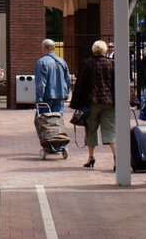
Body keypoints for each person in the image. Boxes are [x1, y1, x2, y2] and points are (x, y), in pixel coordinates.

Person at [69, 40, 115, 169]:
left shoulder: (86, 64)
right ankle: (116, 158)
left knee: (90, 129)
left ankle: (91, 157)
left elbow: (80, 84)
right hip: (109, 101)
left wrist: (76, 103)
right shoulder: (112, 64)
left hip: (92, 101)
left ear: (93, 50)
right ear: (105, 50)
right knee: (111, 129)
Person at [34, 38, 70, 114]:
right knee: (57, 120)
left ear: (44, 48)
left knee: (44, 120)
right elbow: (67, 79)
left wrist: (39, 97)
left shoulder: (41, 62)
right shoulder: (62, 62)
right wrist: (66, 94)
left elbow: (41, 83)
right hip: (60, 95)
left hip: (47, 96)